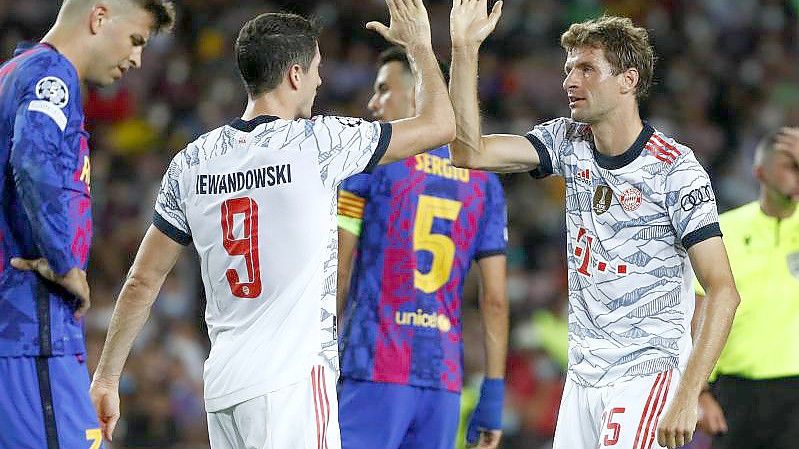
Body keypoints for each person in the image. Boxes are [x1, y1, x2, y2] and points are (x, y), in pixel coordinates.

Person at [88, 1, 456, 448]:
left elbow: (142, 281)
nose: (321, 80)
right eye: (316, 69)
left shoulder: (192, 162)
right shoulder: (319, 143)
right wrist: (418, 44)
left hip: (223, 390)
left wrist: (106, 377)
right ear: (295, 75)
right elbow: (440, 125)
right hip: (292, 383)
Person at [447, 2, 741, 449]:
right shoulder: (567, 140)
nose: (569, 81)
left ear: (629, 80)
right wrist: (465, 48)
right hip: (582, 380)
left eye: (587, 69)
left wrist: (688, 393)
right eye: (568, 69)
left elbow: (723, 290)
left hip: (647, 376)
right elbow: (469, 153)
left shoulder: (675, 170)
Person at [0, 1, 175, 448]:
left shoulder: (14, 73)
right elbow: (32, 159)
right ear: (99, 18)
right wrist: (64, 261)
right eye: (136, 39)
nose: (137, 58)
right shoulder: (50, 76)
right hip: (29, 329)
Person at [336, 46, 508, 449]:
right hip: (443, 380)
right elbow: (495, 300)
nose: (372, 103)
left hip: (372, 367)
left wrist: (316, 358)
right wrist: (493, 395)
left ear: (419, 94)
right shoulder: (485, 182)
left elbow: (339, 272)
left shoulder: (367, 162)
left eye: (383, 90)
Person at [692, 128, 799, 449]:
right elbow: (698, 315)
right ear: (760, 172)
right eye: (790, 164)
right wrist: (700, 392)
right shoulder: (725, 231)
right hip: (735, 394)